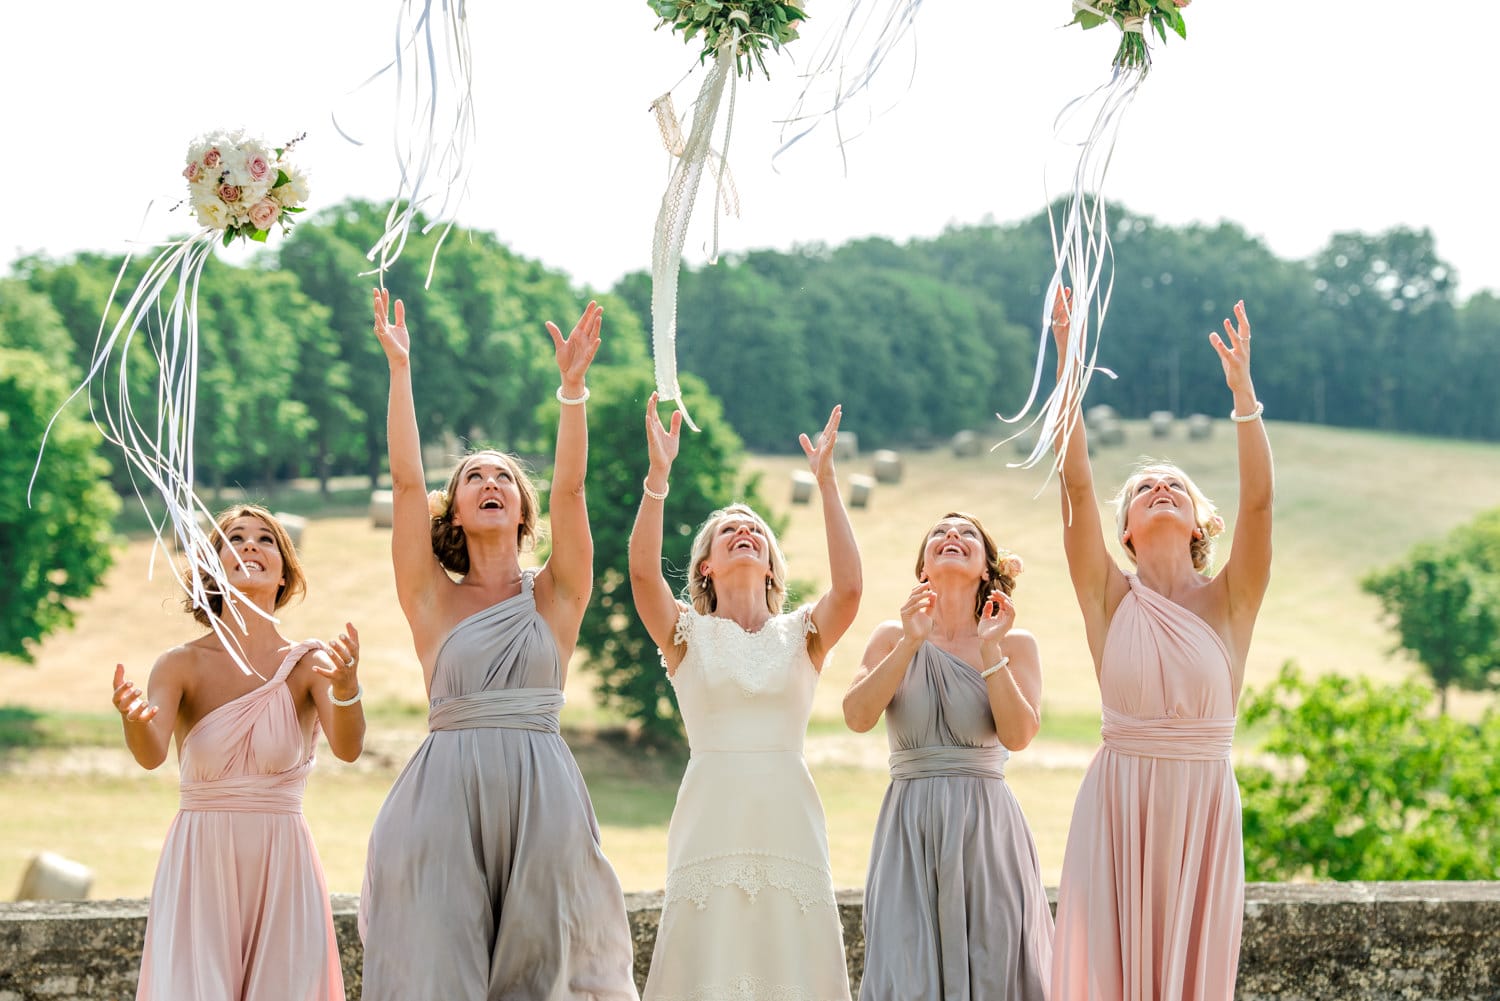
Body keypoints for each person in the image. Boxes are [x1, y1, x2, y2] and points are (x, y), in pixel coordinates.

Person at [359, 289, 637, 1001]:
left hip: (541, 793)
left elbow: (571, 489)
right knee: (440, 968)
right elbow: (405, 479)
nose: (490, 482)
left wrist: (571, 391)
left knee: (541, 968)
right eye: (474, 476)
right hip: (442, 796)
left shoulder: (558, 595)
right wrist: (398, 371)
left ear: (521, 508)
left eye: (504, 478)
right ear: (454, 509)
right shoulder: (431, 596)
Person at [1048, 291, 1273, 1000]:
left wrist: (1245, 399)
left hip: (1203, 808)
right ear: (1127, 531)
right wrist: (1068, 365)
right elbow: (1078, 486)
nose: (1160, 487)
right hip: (1118, 808)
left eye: (1174, 483)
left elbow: (1261, 505)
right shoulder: (1107, 596)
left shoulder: (1231, 599)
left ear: (1200, 522)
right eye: (1145, 487)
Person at [629, 394, 861, 1001]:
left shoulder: (804, 635)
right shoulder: (686, 636)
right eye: (729, 530)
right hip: (712, 814)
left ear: (770, 565)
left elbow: (852, 588)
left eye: (755, 530)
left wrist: (827, 483)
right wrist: (658, 478)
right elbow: (643, 577)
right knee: (710, 959)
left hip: (788, 813)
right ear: (704, 566)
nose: (745, 532)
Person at [111, 504, 365, 1001]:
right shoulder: (179, 664)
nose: (251, 545)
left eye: (266, 539)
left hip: (282, 861)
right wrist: (132, 719)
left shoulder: (310, 663)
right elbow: (150, 754)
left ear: (285, 572)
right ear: (212, 565)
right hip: (201, 862)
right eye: (235, 538)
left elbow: (350, 748)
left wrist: (348, 688)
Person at [843, 512, 1053, 1000]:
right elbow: (856, 716)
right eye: (939, 532)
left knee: (995, 963)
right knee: (905, 966)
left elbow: (1019, 735)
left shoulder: (1016, 644)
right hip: (908, 828)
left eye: (967, 534)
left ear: (986, 568)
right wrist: (909, 642)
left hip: (987, 830)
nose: (952, 536)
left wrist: (990, 647)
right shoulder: (889, 636)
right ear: (923, 567)